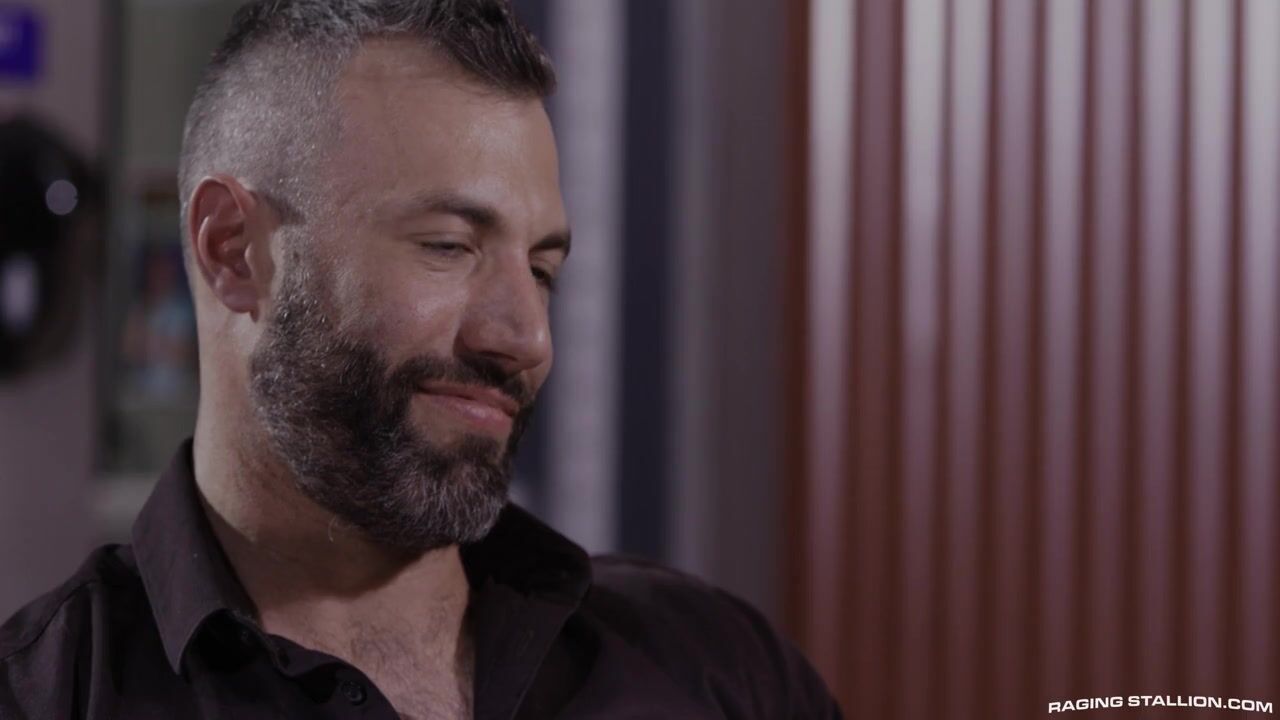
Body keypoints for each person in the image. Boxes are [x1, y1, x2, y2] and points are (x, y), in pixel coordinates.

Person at [0, 1, 842, 717]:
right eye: (448, 246)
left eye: (541, 271)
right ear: (233, 251)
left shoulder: (718, 669)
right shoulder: (49, 697)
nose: (525, 338)